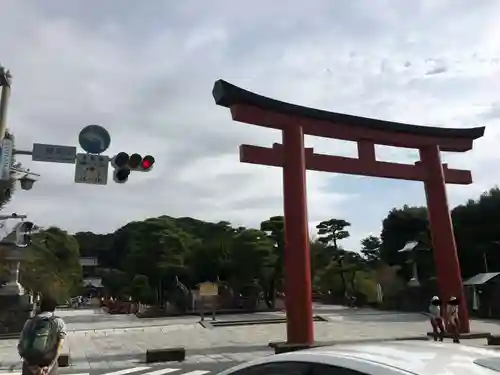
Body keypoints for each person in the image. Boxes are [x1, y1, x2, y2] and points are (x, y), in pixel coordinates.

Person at [18, 295, 67, 375]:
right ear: (54, 308)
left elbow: (21, 346)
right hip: (47, 364)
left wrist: (33, 367)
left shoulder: (29, 322)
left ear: (41, 307)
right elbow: (59, 346)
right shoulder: (58, 322)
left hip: (30, 364)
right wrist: (50, 367)